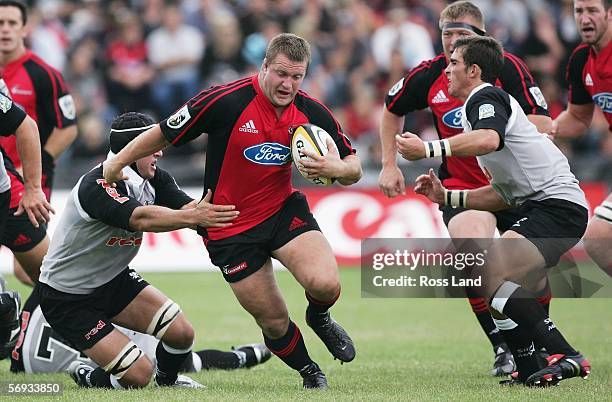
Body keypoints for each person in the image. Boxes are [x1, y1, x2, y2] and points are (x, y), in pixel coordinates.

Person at [103, 33, 362, 390]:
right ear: (265, 66)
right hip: (228, 227)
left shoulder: (311, 112)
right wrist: (118, 160)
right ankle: (310, 372)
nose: (288, 84)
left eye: (297, 76)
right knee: (272, 320)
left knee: (326, 282)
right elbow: (163, 132)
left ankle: (319, 316)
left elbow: (354, 167)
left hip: (282, 211)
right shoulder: (224, 100)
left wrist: (336, 168)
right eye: (281, 74)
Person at [400, 35, 590, 387]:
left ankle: (566, 355)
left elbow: (489, 140)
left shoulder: (484, 97)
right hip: (545, 206)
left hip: (557, 206)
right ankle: (528, 366)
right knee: (490, 279)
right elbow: (503, 194)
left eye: (454, 63)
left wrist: (428, 147)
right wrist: (448, 198)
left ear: (474, 70)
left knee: (486, 273)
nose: (447, 70)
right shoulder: (478, 111)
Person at [378, 0, 551, 377]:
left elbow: (545, 121)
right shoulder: (430, 74)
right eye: (447, 34)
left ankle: (541, 343)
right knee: (475, 261)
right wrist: (389, 164)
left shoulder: (509, 68)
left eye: (462, 35)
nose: (453, 42)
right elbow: (391, 109)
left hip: (515, 188)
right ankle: (503, 346)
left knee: (533, 274)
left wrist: (498, 130)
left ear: (483, 38)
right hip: (464, 188)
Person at [37, 112, 240, 390]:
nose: (159, 151)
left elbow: (192, 210)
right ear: (132, 150)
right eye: (151, 145)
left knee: (182, 334)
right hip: (67, 298)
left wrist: (238, 224)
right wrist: (196, 218)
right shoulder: (95, 185)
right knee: (137, 376)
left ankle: (168, 382)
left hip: (113, 281)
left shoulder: (154, 178)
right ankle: (88, 374)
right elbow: (140, 218)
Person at [9, 288, 271, 374]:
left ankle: (247, 355)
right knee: (176, 359)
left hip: (44, 360)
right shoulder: (46, 290)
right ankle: (244, 357)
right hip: (88, 343)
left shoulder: (18, 366)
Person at [0, 1, 78, 284]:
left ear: (24, 28)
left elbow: (67, 129)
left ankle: (74, 304)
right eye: (0, 23)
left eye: (11, 23)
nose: (5, 30)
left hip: (29, 179)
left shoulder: (43, 74)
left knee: (28, 268)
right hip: (3, 173)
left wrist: (34, 166)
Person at [552, 0, 612, 276]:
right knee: (598, 238)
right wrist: (540, 131)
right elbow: (577, 119)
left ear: (609, 13)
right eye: (579, 11)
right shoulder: (580, 60)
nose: (584, 18)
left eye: (592, 11)